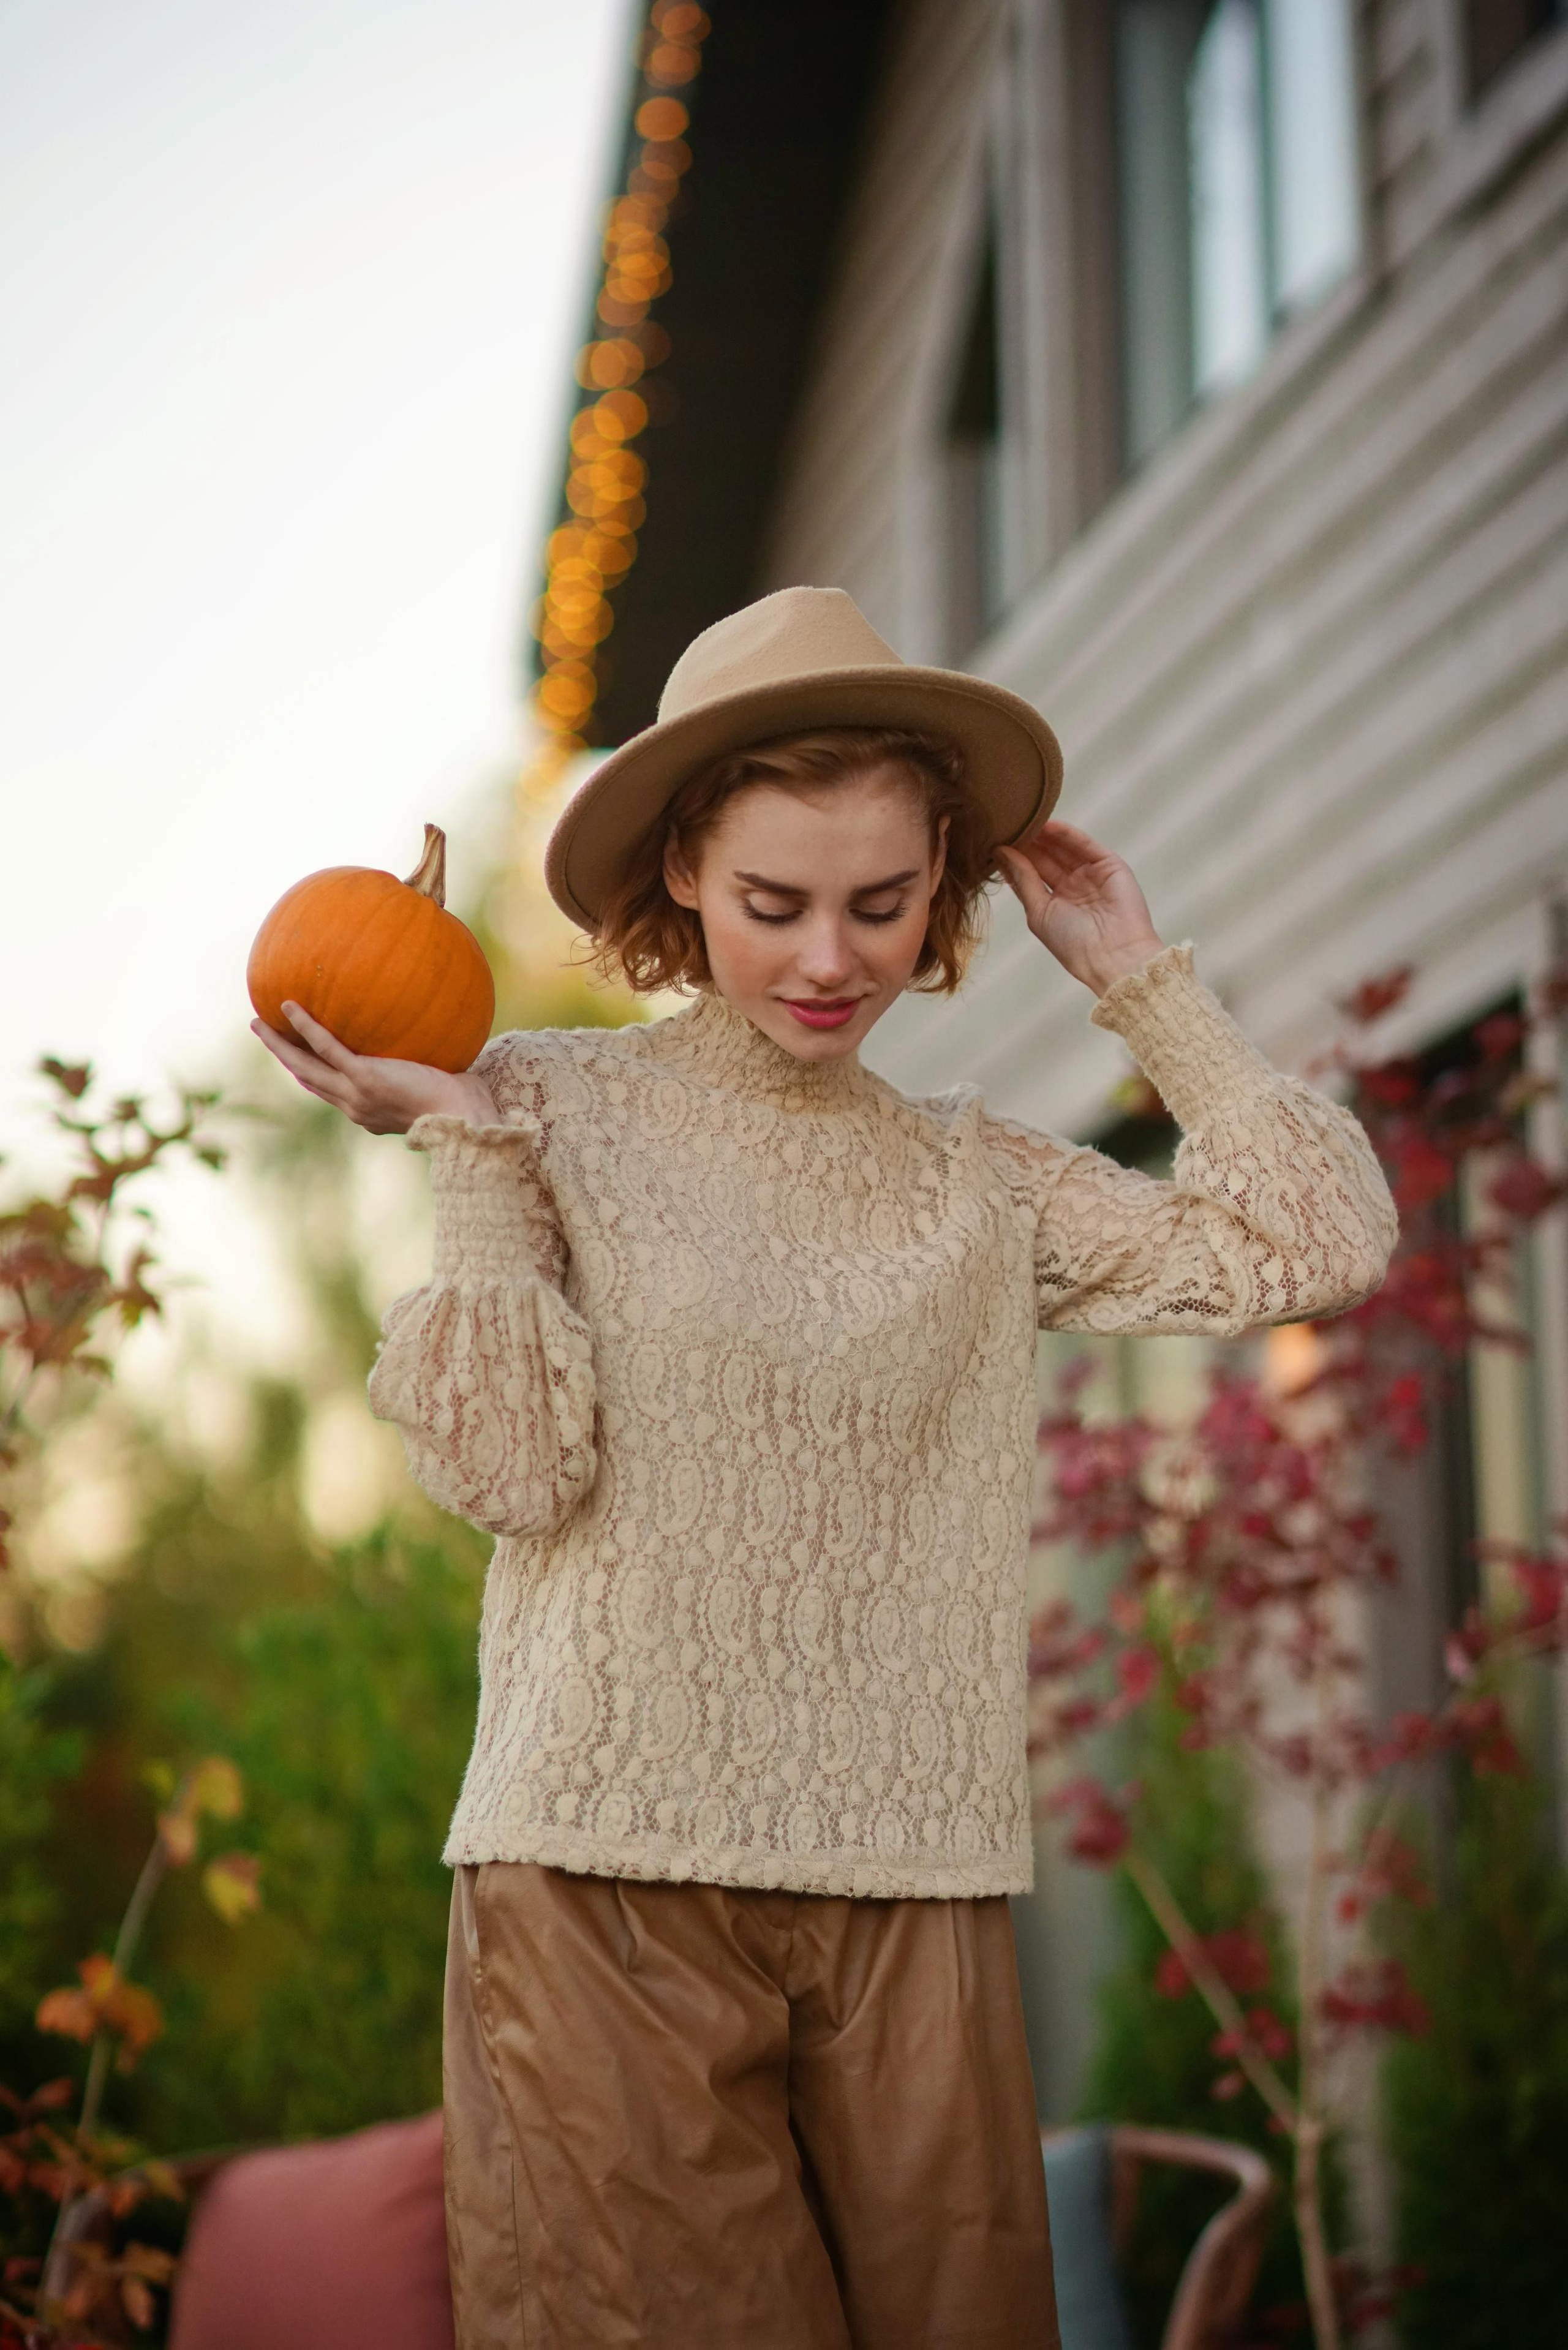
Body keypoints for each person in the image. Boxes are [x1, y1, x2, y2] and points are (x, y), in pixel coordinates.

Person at [254, 587, 1398, 2350]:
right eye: (775, 903)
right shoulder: (535, 1105)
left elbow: (1312, 1248)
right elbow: (505, 1477)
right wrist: (477, 1162)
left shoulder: (986, 1183)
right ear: (687, 873)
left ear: (944, 880)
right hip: (601, 1883)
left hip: (915, 1886)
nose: (827, 961)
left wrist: (1145, 985)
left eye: (881, 904)